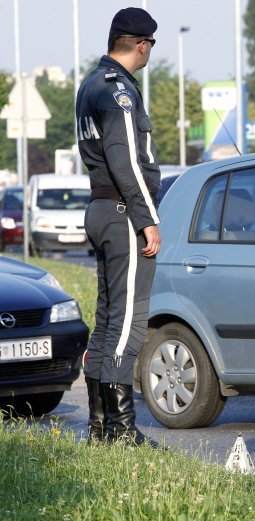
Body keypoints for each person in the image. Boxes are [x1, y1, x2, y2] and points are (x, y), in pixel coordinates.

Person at [76, 7, 161, 446]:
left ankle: (99, 426)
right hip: (123, 212)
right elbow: (126, 159)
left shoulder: (91, 82)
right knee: (128, 323)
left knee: (108, 318)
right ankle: (122, 431)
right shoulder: (118, 92)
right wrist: (148, 220)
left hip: (101, 207)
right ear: (141, 44)